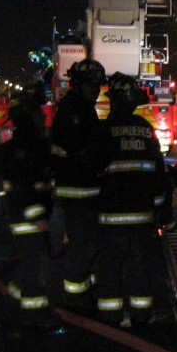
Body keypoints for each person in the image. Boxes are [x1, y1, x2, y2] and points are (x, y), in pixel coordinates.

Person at [96, 72, 167, 327]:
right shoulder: (147, 131)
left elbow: (93, 170)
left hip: (110, 215)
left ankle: (109, 315)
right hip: (142, 215)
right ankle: (141, 314)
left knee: (110, 265)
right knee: (139, 265)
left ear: (113, 102)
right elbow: (159, 173)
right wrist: (161, 208)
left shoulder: (103, 131)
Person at [0, 90, 55, 327]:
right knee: (34, 266)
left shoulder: (27, 145)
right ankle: (33, 316)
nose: (42, 115)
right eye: (38, 112)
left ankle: (16, 298)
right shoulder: (29, 148)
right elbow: (24, 187)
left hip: (25, 214)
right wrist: (37, 217)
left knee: (31, 262)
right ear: (28, 117)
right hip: (28, 217)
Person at [51, 58, 107, 313]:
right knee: (82, 243)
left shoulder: (82, 108)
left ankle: (84, 289)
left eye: (97, 87)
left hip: (85, 188)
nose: (95, 92)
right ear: (78, 85)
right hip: (77, 189)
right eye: (90, 87)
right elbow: (80, 148)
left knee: (89, 241)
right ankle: (74, 296)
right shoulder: (74, 110)